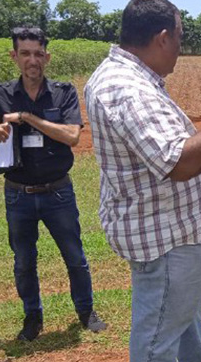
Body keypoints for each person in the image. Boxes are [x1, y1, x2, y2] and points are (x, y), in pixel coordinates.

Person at [84, 0, 201, 362]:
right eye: (178, 37)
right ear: (161, 38)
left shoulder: (131, 77)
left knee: (180, 304)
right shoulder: (127, 88)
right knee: (159, 321)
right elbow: (180, 162)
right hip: (163, 230)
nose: (180, 46)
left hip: (168, 225)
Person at [0, 27, 106, 342]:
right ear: (14, 56)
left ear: (47, 56)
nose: (32, 60)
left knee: (75, 256)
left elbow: (72, 136)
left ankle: (86, 311)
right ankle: (32, 318)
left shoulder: (63, 93)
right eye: (25, 53)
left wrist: (29, 118)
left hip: (58, 191)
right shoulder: (2, 94)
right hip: (18, 193)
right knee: (23, 262)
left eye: (38, 53)